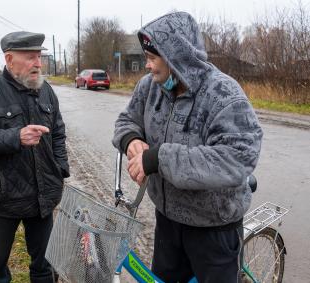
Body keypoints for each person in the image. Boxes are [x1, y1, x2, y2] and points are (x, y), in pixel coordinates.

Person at [112, 12, 263, 283]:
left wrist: (160, 158)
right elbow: (126, 120)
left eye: (152, 58)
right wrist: (131, 140)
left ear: (174, 55)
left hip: (213, 228)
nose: (147, 66)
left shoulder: (224, 95)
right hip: (168, 221)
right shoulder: (150, 87)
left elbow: (237, 157)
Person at [0, 31, 69, 283]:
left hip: (41, 197)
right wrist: (15, 137)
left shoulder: (46, 92)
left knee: (45, 265)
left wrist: (60, 169)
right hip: (3, 197)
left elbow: (58, 133)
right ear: (9, 59)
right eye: (30, 57)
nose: (38, 64)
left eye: (39, 57)